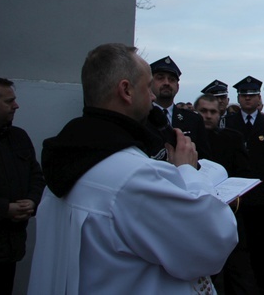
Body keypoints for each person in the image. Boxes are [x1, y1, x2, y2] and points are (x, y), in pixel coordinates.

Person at [28, 43, 238, 294]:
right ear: (126, 90)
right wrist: (187, 171)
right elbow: (211, 242)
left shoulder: (73, 153)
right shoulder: (133, 176)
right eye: (148, 86)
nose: (152, 96)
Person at [225, 75, 264, 295]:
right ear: (238, 98)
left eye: (252, 95)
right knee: (238, 247)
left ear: (259, 98)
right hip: (235, 198)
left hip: (262, 197)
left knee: (262, 248)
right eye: (244, 96)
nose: (248, 100)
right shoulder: (229, 123)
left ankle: (263, 287)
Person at [195, 94, 251, 295]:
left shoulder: (232, 139)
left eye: (213, 112)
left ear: (220, 114)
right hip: (196, 218)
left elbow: (243, 173)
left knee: (237, 273)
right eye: (203, 111)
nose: (208, 116)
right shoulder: (184, 141)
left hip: (230, 213)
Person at [0, 78, 45, 293]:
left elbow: (36, 176)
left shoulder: (18, 137)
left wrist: (32, 201)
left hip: (11, 248)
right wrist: (4, 209)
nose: (16, 105)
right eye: (9, 101)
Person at [146, 56, 211, 160]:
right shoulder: (141, 116)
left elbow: (204, 158)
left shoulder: (193, 119)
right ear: (150, 83)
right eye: (160, 78)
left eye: (171, 79)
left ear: (178, 87)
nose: (166, 83)